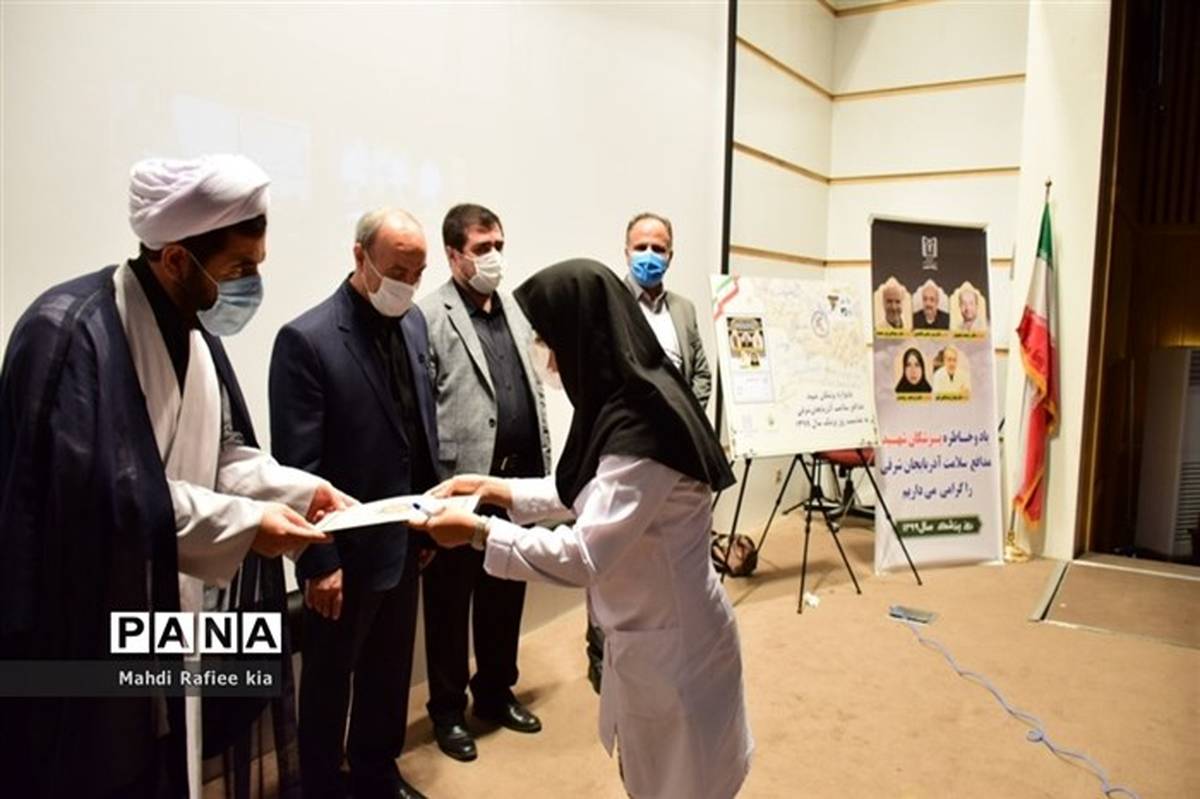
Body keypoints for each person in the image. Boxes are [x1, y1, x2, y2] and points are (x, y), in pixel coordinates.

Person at [0, 154, 342, 798]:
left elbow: (221, 454)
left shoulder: (197, 334)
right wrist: (247, 527)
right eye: (239, 270)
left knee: (171, 760)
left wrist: (300, 493)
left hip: (173, 608)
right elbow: (99, 498)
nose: (251, 285)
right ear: (177, 259)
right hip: (90, 623)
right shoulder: (71, 332)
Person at [414, 259, 753, 799]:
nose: (544, 355)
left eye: (547, 340)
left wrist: (479, 533)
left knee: (682, 782)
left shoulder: (644, 427)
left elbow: (584, 555)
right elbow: (581, 488)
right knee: (653, 776)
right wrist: (491, 488)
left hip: (676, 646)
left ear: (581, 335)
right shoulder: (620, 402)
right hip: (650, 631)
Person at [268, 208, 438, 799]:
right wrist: (318, 562)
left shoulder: (414, 324)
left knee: (388, 673)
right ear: (360, 257)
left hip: (404, 537)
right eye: (397, 271)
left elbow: (416, 431)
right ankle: (319, 785)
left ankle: (376, 771)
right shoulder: (306, 340)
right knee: (328, 683)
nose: (407, 285)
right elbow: (298, 466)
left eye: (417, 273)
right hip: (342, 554)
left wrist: (426, 525)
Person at [419, 203, 551, 761]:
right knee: (449, 607)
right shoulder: (428, 315)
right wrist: (427, 500)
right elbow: (421, 414)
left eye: (498, 245)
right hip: (459, 490)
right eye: (481, 248)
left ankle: (495, 693)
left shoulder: (515, 308)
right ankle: (448, 712)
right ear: (454, 255)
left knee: (504, 595)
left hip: (515, 485)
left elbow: (532, 386)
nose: (494, 256)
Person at [623, 212, 711, 408]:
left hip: (679, 422)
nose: (649, 255)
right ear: (627, 254)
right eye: (641, 247)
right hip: (629, 423)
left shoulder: (684, 309)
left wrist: (689, 417)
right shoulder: (610, 302)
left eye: (658, 249)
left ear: (669, 257)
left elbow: (701, 374)